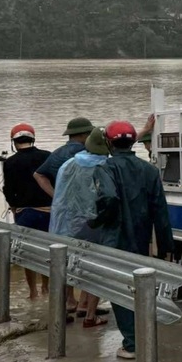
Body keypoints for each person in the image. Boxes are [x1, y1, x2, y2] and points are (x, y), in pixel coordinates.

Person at [93, 120, 174, 360]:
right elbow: (161, 212)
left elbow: (108, 198)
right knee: (140, 289)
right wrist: (166, 249)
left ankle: (132, 344)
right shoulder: (149, 170)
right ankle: (143, 339)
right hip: (141, 239)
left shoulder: (105, 168)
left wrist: (97, 221)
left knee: (118, 290)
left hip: (114, 239)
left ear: (109, 143)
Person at [49, 128, 115, 328]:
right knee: (94, 266)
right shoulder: (105, 166)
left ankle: (62, 310)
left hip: (64, 223)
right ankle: (89, 314)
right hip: (92, 224)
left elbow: (60, 196)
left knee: (64, 265)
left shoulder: (68, 164)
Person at [35, 116, 93, 313]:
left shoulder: (57, 153)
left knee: (65, 255)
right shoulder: (86, 154)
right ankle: (85, 302)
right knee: (86, 255)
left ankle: (70, 300)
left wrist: (57, 196)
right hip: (84, 213)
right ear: (84, 135)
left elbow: (38, 174)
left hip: (62, 214)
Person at [1, 123, 52, 299]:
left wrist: (14, 207)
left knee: (27, 253)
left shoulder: (10, 162)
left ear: (14, 142)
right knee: (48, 250)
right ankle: (46, 287)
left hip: (24, 212)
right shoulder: (47, 156)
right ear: (33, 139)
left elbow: (8, 189)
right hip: (48, 211)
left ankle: (33, 292)